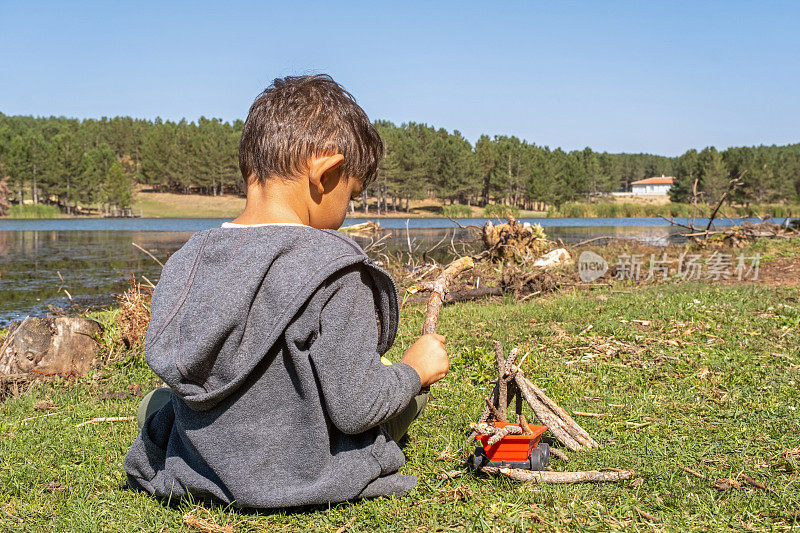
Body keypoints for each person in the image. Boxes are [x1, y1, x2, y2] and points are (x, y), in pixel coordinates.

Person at [123, 74, 449, 508]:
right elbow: (357, 407)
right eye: (349, 195)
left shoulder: (189, 258)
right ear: (326, 173)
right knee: (398, 383)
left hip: (204, 468)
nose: (345, 212)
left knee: (156, 403)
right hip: (306, 472)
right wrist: (414, 372)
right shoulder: (332, 269)